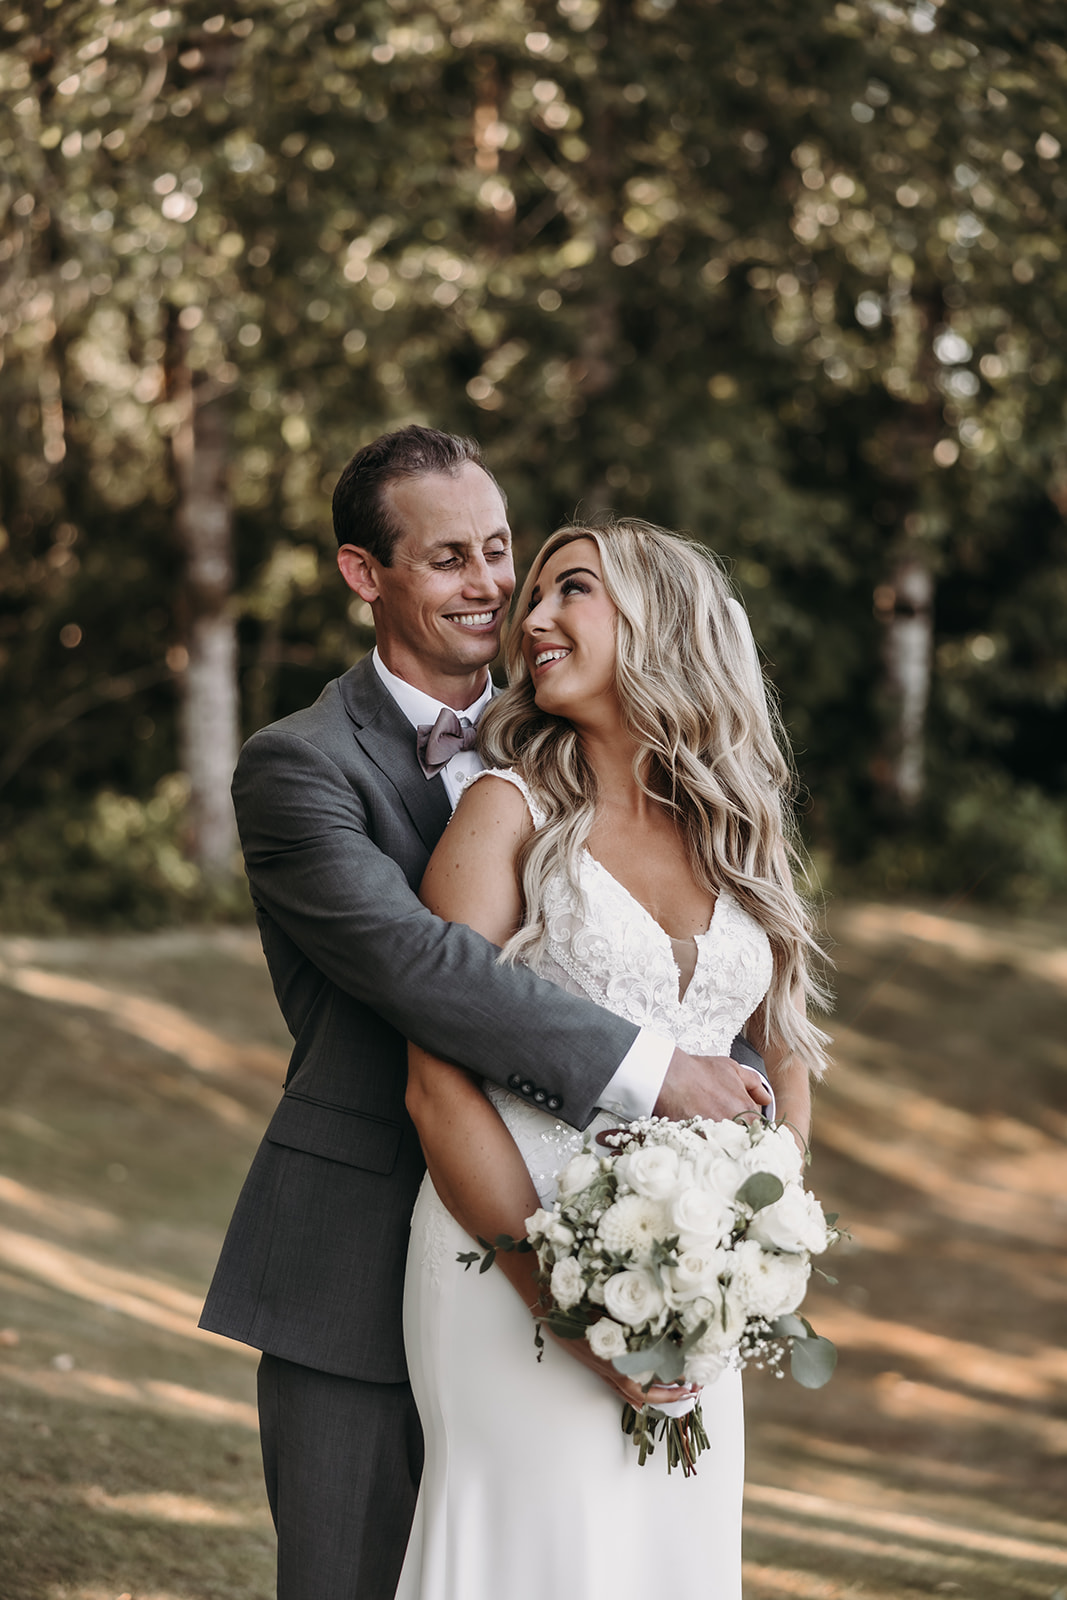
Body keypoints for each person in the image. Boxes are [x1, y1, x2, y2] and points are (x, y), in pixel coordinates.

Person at [198, 428, 772, 1600]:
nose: (492, 586)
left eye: (500, 551)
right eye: (449, 557)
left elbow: (700, 966)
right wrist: (649, 1068)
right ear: (368, 574)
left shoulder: (579, 720)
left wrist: (730, 1227)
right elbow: (417, 965)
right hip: (355, 1247)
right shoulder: (296, 765)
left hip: (599, 1241)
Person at [397, 518, 830, 1600]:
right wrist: (559, 1298)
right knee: (534, 1547)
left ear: (661, 621)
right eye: (531, 596)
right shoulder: (507, 813)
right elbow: (435, 1080)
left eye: (569, 590)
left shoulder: (738, 830)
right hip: (506, 1265)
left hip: (693, 1291)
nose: (530, 618)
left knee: (664, 1559)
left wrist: (746, 1245)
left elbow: (785, 1053)